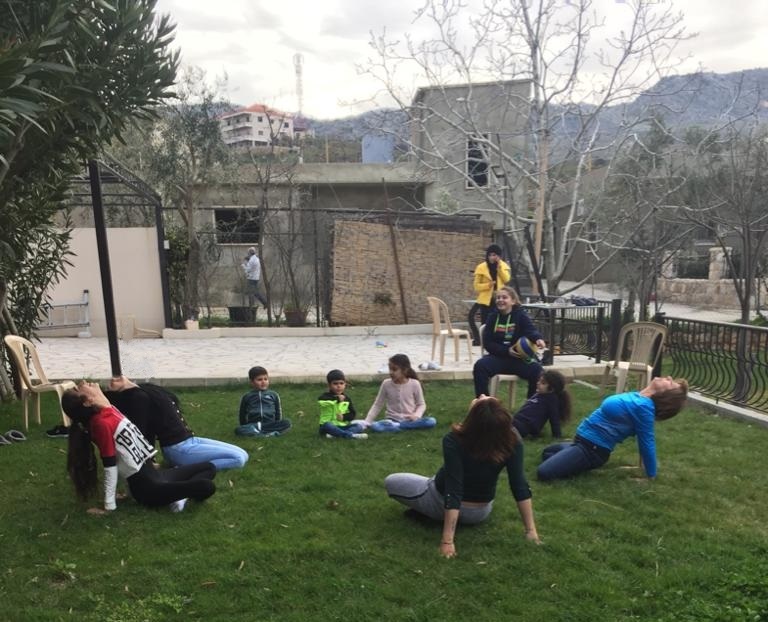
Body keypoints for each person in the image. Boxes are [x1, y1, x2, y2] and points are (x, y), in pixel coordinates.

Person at [385, 396, 540, 558]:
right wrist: (531, 532)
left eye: (483, 399)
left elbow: (453, 489)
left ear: (474, 415)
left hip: (440, 499)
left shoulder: (454, 439)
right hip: (481, 512)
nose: (481, 395)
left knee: (392, 481)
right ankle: (431, 513)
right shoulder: (511, 438)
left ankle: (431, 514)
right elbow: (519, 484)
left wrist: (447, 542)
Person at [63, 382, 216, 514]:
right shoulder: (100, 424)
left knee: (209, 467)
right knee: (207, 486)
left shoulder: (108, 411)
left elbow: (127, 456)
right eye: (78, 388)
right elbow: (110, 465)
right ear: (88, 402)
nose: (84, 382)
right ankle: (178, 497)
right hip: (149, 490)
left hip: (158, 476)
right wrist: (108, 506)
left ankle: (179, 496)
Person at [537, 376, 689, 481]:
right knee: (546, 453)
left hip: (592, 450)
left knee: (543, 473)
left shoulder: (644, 408)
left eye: (670, 383)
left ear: (665, 394)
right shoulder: (639, 396)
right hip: (581, 442)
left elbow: (647, 441)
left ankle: (581, 462)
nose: (668, 378)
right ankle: (576, 462)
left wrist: (651, 475)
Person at [105, 376, 249, 471]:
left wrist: (129, 384)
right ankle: (184, 469)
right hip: (178, 450)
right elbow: (144, 433)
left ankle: (185, 465)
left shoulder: (147, 391)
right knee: (238, 459)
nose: (116, 381)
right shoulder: (140, 399)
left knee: (243, 454)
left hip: (191, 441)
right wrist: (150, 460)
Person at [473, 286, 547, 399]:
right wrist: (507, 351)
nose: (500, 300)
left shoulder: (520, 315)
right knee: (480, 366)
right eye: (498, 298)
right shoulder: (492, 317)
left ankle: (532, 405)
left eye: (504, 297)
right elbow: (488, 343)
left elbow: (530, 330)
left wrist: (538, 339)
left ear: (513, 301)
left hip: (518, 359)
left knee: (537, 371)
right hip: (498, 357)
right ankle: (484, 403)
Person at [361, 354, 436, 433]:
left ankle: (399, 426)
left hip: (410, 420)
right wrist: (367, 422)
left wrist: (416, 415)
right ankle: (398, 426)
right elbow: (377, 404)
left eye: (394, 369)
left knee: (431, 421)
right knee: (376, 426)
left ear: (405, 370)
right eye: (390, 369)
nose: (391, 372)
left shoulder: (415, 384)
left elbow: (421, 404)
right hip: (391, 420)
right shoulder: (386, 384)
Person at [468, 244, 511, 346]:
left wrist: (499, 268)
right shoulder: (481, 267)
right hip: (485, 299)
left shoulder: (503, 266)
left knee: (496, 321)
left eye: (495, 255)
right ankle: (479, 339)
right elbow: (476, 286)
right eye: (490, 255)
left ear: (499, 256)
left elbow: (506, 280)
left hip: (498, 299)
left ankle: (492, 341)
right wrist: (488, 285)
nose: (492, 257)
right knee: (478, 318)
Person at [512, 370, 572, 439]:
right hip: (517, 421)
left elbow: (554, 419)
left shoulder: (551, 400)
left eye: (543, 383)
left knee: (503, 422)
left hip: (525, 426)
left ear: (552, 389)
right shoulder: (538, 394)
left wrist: (557, 435)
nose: (538, 383)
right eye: (539, 381)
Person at [235, 366, 291, 437]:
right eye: (259, 380)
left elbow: (278, 411)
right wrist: (244, 426)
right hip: (254, 425)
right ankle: (266, 434)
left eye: (266, 379)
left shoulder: (273, 395)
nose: (263, 382)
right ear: (252, 382)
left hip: (269, 424)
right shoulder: (247, 396)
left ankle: (260, 433)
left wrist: (277, 423)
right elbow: (242, 413)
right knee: (239, 430)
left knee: (287, 423)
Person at [318, 369, 367, 440]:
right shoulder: (325, 397)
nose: (339, 386)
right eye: (335, 383)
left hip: (341, 426)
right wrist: (337, 400)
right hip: (327, 427)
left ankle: (337, 435)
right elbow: (323, 402)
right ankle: (351, 435)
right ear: (329, 385)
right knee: (327, 425)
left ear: (345, 384)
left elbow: (352, 414)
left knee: (358, 426)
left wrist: (344, 417)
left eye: (341, 383)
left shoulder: (347, 399)